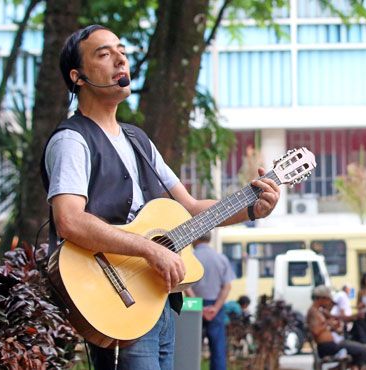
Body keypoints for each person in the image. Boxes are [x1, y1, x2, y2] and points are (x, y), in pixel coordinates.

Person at [41, 25, 280, 370]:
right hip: (116, 301)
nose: (120, 59)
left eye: (121, 51)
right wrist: (149, 248)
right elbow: (69, 220)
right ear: (77, 77)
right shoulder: (71, 140)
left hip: (160, 301)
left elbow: (191, 209)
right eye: (104, 53)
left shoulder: (138, 140)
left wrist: (252, 208)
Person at [185, 233, 235, 370]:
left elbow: (185, 285)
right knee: (218, 348)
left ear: (195, 238)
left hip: (192, 305)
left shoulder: (190, 258)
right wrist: (215, 308)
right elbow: (227, 286)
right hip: (215, 307)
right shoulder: (221, 258)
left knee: (191, 347)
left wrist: (199, 307)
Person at [307, 285, 366, 370]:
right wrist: (327, 325)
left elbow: (337, 318)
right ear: (320, 298)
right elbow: (316, 331)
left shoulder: (320, 311)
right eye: (327, 299)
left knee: (360, 351)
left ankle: (350, 367)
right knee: (365, 349)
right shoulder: (313, 312)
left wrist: (351, 318)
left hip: (334, 343)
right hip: (328, 346)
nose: (329, 302)